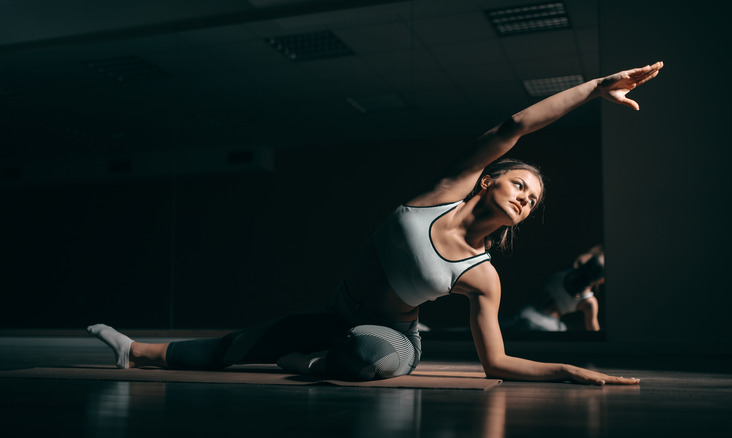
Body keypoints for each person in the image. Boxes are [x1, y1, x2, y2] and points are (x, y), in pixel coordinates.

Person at [88, 61, 663, 385]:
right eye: (520, 184)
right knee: (237, 346)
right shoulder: (444, 190)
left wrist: (565, 367)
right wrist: (594, 88)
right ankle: (133, 351)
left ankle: (317, 364)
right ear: (488, 179)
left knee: (367, 355)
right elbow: (515, 124)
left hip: (390, 339)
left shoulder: (483, 276)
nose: (526, 199)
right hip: (337, 313)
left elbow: (497, 363)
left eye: (534, 200)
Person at [503, 244, 605, 332]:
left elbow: (590, 253)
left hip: (524, 313)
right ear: (602, 280)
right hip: (547, 327)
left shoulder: (568, 269)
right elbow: (594, 333)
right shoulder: (589, 302)